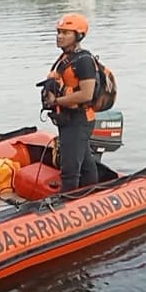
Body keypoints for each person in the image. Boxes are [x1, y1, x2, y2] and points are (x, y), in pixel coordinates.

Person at [43, 13, 99, 192]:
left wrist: (56, 100)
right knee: (86, 163)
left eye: (65, 33)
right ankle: (92, 195)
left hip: (79, 120)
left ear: (78, 35)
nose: (59, 36)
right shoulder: (65, 59)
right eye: (59, 32)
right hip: (67, 119)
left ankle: (67, 203)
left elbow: (86, 95)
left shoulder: (84, 61)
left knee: (70, 169)